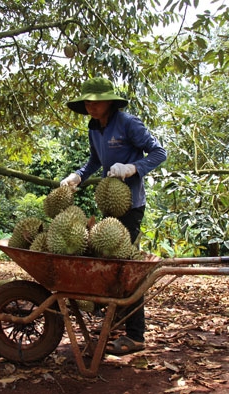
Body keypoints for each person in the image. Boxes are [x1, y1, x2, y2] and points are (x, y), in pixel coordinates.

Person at [61, 77, 167, 355]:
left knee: (127, 268)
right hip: (110, 204)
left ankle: (136, 336)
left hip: (131, 206)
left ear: (109, 101)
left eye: (95, 101)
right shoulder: (94, 127)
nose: (90, 106)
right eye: (87, 101)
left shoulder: (129, 123)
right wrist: (79, 176)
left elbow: (159, 153)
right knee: (108, 264)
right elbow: (95, 160)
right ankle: (118, 318)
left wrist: (133, 168)